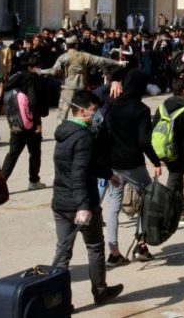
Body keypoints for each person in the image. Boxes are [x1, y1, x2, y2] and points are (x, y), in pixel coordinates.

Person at [51, 90, 123, 306]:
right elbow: (79, 173)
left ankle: (57, 302)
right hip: (79, 203)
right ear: (82, 111)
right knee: (94, 247)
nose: (96, 114)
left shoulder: (64, 132)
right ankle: (100, 291)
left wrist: (108, 174)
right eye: (93, 111)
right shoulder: (83, 137)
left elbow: (85, 165)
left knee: (62, 252)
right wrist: (84, 206)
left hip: (61, 201)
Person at [105, 69, 163, 266]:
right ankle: (141, 243)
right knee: (147, 198)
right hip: (132, 162)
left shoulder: (112, 104)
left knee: (113, 205)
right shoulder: (141, 110)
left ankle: (113, 251)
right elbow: (144, 141)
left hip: (113, 161)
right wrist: (155, 161)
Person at [153, 80, 184, 224]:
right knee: (175, 180)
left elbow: (154, 127)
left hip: (162, 149)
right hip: (178, 152)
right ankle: (166, 213)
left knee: (178, 180)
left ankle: (183, 211)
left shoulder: (162, 107)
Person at [41, 36, 126, 121]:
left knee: (62, 115)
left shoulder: (63, 57)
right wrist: (118, 62)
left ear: (66, 45)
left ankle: (62, 133)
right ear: (76, 45)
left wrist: (40, 71)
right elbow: (101, 60)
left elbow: (54, 71)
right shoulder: (84, 56)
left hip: (68, 89)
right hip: (81, 89)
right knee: (83, 113)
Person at [1, 57, 49, 191]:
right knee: (34, 153)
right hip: (31, 122)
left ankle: (1, 182)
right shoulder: (31, 80)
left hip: (16, 122)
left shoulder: (17, 80)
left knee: (13, 153)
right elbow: (33, 102)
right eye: (37, 67)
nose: (38, 69)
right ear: (31, 68)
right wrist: (38, 123)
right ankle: (34, 181)